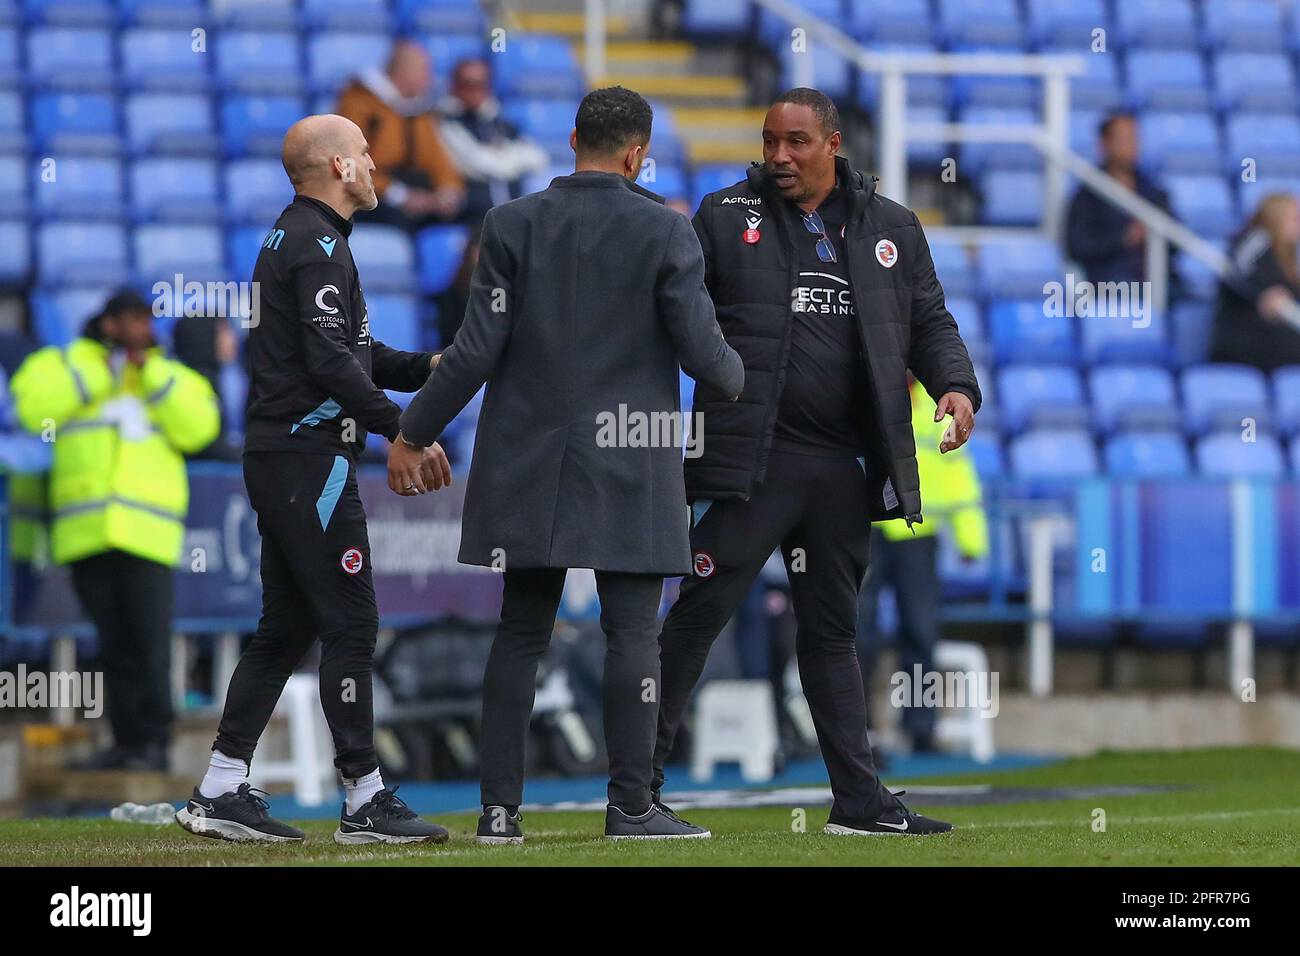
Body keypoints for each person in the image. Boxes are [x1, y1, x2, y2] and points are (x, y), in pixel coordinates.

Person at [391, 86, 744, 843]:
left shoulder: (511, 224)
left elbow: (473, 351)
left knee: (521, 631)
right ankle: (629, 808)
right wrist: (741, 368)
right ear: (637, 155)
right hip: (634, 450)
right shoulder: (666, 231)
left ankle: (497, 813)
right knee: (633, 635)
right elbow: (708, 362)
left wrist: (414, 431)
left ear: (573, 136)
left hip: (530, 454)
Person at [652, 88, 981, 837]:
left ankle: (859, 801)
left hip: (841, 466)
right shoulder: (726, 217)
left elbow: (929, 320)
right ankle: (636, 791)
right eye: (770, 142)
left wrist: (957, 388)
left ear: (832, 143)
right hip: (751, 461)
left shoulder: (891, 227)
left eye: (796, 142)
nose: (779, 157)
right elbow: (671, 313)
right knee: (696, 616)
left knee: (833, 631)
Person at [175, 114, 452, 846]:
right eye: (363, 152)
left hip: (284, 456)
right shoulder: (318, 245)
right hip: (309, 460)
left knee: (287, 628)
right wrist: (403, 429)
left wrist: (437, 366)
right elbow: (332, 366)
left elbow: (351, 354)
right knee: (352, 624)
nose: (372, 162)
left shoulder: (297, 239)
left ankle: (219, 788)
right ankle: (364, 798)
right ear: (337, 165)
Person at [10, 289, 220, 771]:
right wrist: (100, 373)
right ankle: (127, 744)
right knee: (112, 647)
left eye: (145, 321)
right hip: (86, 533)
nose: (139, 331)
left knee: (149, 645)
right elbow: (31, 410)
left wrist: (147, 373)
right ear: (106, 323)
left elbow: (201, 427)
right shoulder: (61, 362)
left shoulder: (169, 375)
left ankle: (155, 744)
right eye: (129, 320)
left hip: (147, 534)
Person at [857, 377, 989, 754]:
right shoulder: (866, 398)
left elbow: (958, 476)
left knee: (920, 630)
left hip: (918, 532)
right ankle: (860, 730)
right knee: (857, 632)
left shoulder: (933, 409)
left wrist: (970, 538)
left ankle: (921, 727)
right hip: (868, 527)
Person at [336, 40, 465, 230]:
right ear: (403, 72)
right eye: (424, 72)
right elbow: (350, 166)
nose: (429, 80)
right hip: (373, 196)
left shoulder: (419, 109)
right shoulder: (359, 103)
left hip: (416, 190)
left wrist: (448, 189)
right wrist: (400, 195)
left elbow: (438, 159)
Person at [1065, 112, 1173, 285]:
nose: (1131, 145)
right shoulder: (1087, 196)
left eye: (1134, 138)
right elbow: (1077, 246)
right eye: (1123, 139)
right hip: (1109, 284)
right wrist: (1124, 239)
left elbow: (1176, 240)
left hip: (1160, 282)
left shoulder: (1154, 193)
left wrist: (1154, 234)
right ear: (1104, 144)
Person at [438, 57, 550, 223]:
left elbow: (538, 158)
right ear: (455, 86)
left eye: (482, 83)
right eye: (468, 84)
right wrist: (507, 156)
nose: (476, 90)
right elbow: (476, 163)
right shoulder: (446, 121)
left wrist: (500, 157)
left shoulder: (499, 122)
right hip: (472, 220)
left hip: (513, 217)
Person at [1210, 192, 1300, 371]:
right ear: (1277, 218)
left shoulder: (1289, 258)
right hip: (1243, 340)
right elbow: (1237, 268)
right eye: (1296, 218)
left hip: (1275, 341)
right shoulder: (1256, 239)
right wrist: (1263, 293)